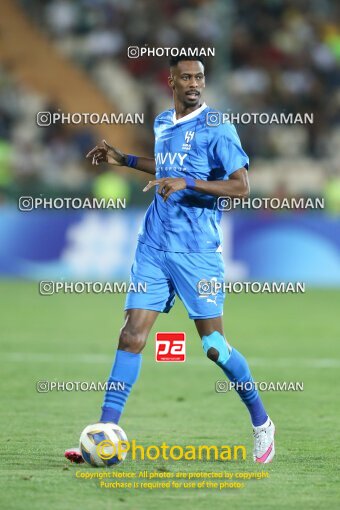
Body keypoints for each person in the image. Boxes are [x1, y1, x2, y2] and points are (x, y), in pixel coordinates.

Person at [65, 55, 275, 464]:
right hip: (154, 246)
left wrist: (189, 182)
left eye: (200, 77)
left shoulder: (219, 127)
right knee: (131, 336)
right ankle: (107, 431)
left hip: (197, 253)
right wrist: (124, 160)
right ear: (171, 82)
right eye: (187, 78)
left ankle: (262, 422)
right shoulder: (163, 122)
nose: (195, 83)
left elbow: (241, 187)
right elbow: (165, 169)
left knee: (214, 346)